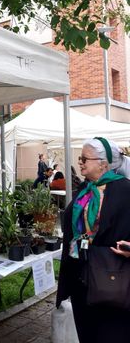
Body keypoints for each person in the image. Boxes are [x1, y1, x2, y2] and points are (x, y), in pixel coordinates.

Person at [56, 137, 130, 342]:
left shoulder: (126, 191)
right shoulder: (85, 190)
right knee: (87, 334)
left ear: (103, 164)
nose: (79, 162)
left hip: (113, 280)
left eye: (84, 158)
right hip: (82, 279)